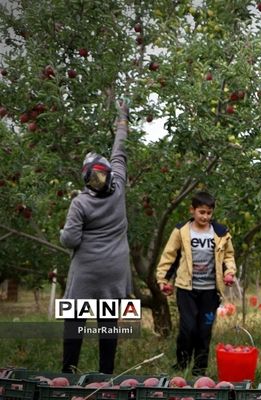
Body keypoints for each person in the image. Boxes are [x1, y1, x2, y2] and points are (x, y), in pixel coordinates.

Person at [60, 98, 132, 374]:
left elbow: (71, 240)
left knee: (74, 323)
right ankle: (105, 376)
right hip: (114, 272)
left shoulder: (80, 203)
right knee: (108, 324)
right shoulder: (119, 185)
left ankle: (68, 373)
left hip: (86, 272)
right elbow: (120, 149)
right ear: (109, 172)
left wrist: (61, 233)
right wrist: (122, 118)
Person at [156, 191, 237, 376]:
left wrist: (229, 273)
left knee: (204, 330)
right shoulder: (181, 231)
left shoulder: (220, 232)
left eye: (209, 213)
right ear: (192, 210)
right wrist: (162, 280)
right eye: (201, 212)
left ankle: (199, 369)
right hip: (187, 289)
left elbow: (228, 257)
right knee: (188, 328)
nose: (205, 216)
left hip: (209, 291)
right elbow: (170, 256)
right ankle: (182, 364)